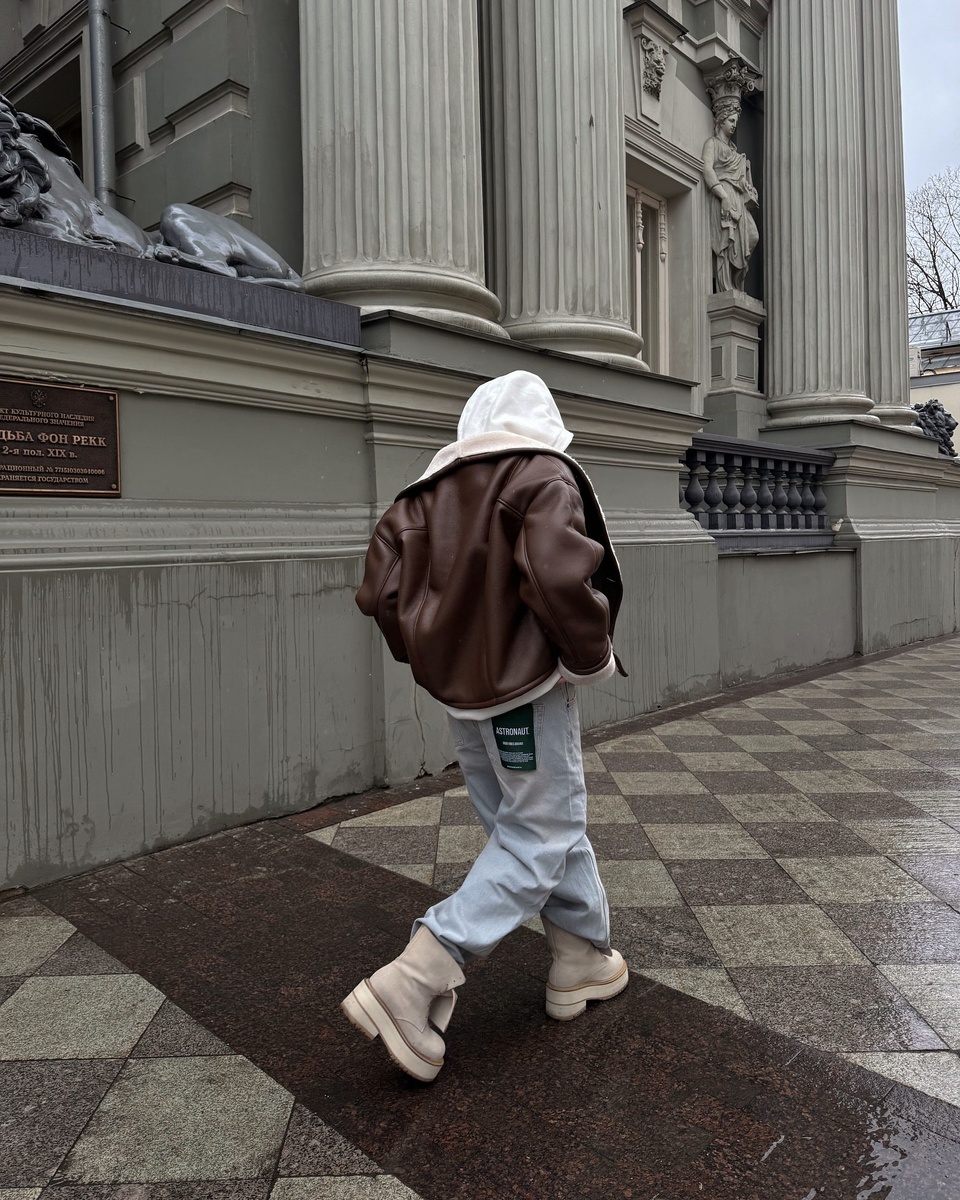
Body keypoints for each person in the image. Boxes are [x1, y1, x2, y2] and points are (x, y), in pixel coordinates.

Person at [342, 370, 629, 1082]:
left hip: (462, 698)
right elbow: (558, 577)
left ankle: (580, 958)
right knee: (540, 831)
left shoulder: (424, 492)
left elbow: (380, 592)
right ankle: (417, 975)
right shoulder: (541, 474)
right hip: (527, 688)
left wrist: (430, 655)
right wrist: (589, 657)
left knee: (530, 824)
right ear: (544, 424)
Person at [702, 98, 759, 293]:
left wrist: (747, 181)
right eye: (731, 120)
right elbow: (707, 169)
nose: (734, 125)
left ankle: (736, 284)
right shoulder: (712, 144)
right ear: (721, 120)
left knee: (752, 236)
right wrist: (723, 196)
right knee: (727, 241)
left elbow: (743, 183)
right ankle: (726, 286)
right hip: (724, 195)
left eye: (736, 121)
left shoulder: (736, 153)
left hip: (738, 199)